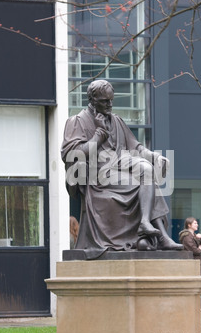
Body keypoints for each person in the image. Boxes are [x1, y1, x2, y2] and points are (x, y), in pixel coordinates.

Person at [61, 79, 182, 257]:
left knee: (148, 171)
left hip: (121, 167)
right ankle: (157, 235)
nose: (110, 105)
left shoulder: (116, 120)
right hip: (97, 176)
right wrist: (99, 136)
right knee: (141, 184)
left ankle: (149, 227)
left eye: (111, 100)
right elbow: (72, 154)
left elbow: (136, 148)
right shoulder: (77, 122)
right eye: (104, 101)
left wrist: (155, 156)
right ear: (92, 100)